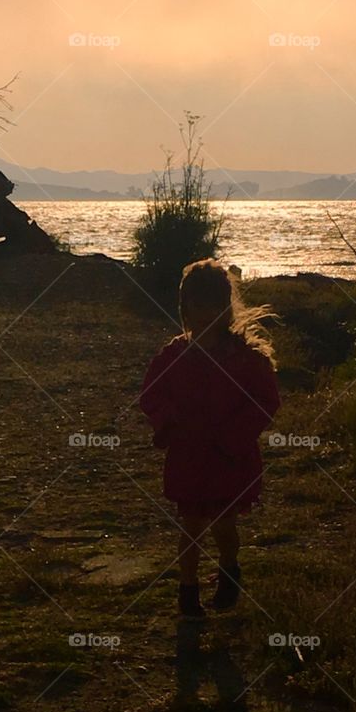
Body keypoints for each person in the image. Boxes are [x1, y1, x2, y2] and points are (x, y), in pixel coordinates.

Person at [139, 259, 281, 620]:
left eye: (211, 306)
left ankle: (229, 569)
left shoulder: (245, 359)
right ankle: (188, 592)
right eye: (195, 306)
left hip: (229, 458)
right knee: (190, 525)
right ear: (184, 308)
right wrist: (171, 423)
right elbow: (151, 395)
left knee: (224, 524)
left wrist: (234, 438)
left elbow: (265, 401)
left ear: (225, 308)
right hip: (188, 455)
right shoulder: (174, 355)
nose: (203, 314)